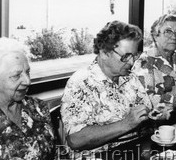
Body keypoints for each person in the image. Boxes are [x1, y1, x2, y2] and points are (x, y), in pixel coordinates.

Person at [61, 20, 156, 151]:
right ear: (104, 52)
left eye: (134, 56)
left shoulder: (129, 77)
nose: (132, 62)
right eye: (126, 56)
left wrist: (154, 114)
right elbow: (75, 140)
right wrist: (126, 124)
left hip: (133, 152)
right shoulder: (82, 83)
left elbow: (146, 113)